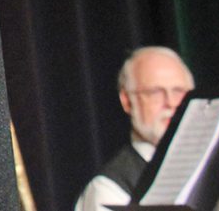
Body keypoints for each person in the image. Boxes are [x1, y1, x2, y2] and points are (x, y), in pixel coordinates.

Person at [74, 46, 195, 211]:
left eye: (179, 91)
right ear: (127, 101)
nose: (171, 103)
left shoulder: (211, 168)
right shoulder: (108, 188)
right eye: (155, 92)